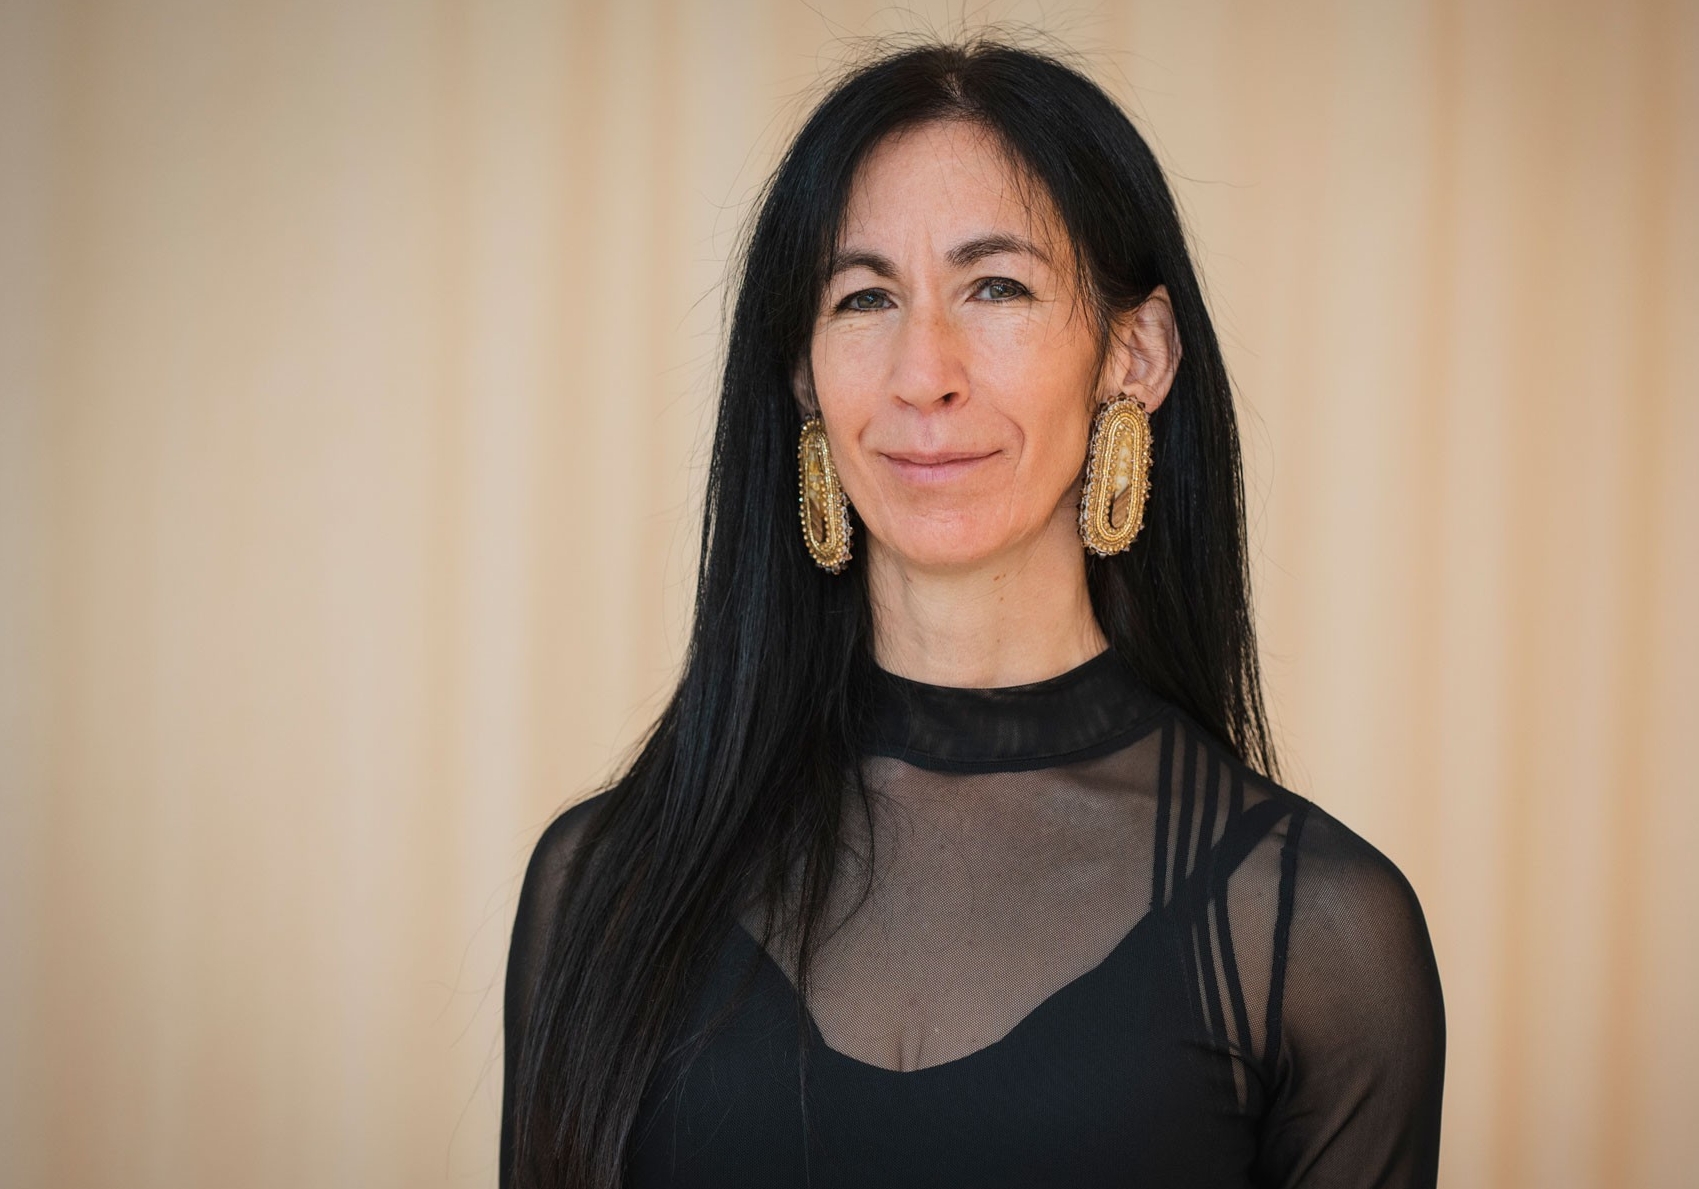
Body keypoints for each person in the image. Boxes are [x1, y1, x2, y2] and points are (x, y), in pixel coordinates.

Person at [500, 37, 1444, 1189]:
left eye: (995, 286)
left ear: (1134, 354)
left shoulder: (1313, 932)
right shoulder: (606, 883)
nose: (923, 373)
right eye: (865, 298)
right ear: (803, 374)